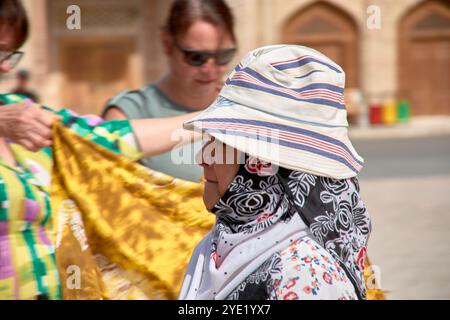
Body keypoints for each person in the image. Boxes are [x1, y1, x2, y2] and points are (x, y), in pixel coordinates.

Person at [0, 0, 200, 300]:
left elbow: (105, 138)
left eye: (10, 54)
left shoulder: (23, 114)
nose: (5, 66)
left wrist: (207, 120)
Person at [178, 45, 372, 300]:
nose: (202, 157)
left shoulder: (303, 273)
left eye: (220, 144)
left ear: (262, 165)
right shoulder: (218, 248)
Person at [102, 0, 237, 182]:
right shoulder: (129, 112)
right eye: (196, 57)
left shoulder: (247, 106)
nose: (209, 68)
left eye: (222, 56)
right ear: (167, 44)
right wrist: (212, 118)